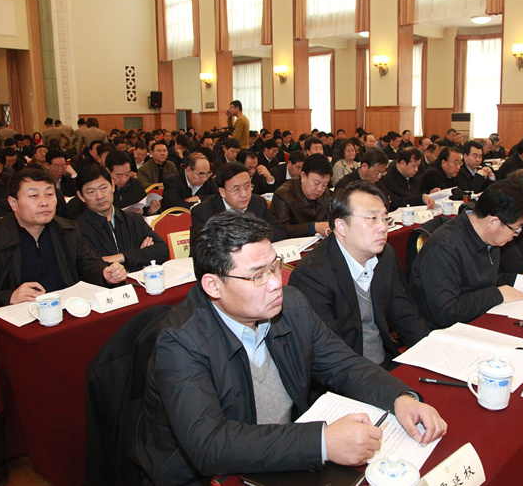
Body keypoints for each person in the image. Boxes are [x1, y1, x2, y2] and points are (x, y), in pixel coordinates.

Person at [131, 211, 446, 482]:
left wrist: (400, 397)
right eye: (258, 276)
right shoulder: (180, 341)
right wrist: (322, 442)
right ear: (213, 285)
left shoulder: (290, 305)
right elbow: (210, 445)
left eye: (274, 266)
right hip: (209, 476)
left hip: (282, 451)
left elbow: (343, 364)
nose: (275, 282)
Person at [0, 169, 127, 486]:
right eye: (33, 195)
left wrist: (105, 273)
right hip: (5, 334)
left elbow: (87, 265)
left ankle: (91, 437)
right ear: (13, 202)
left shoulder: (68, 230)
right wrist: (9, 296)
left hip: (63, 326)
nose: (45, 202)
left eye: (49, 194)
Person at [289, 182, 430, 369]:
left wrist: (433, 355)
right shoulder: (312, 275)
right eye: (372, 218)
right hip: (345, 373)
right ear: (341, 226)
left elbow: (406, 315)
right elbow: (329, 354)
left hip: (383, 361)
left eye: (384, 218)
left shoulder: (385, 255)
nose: (382, 227)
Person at [409, 180, 523, 329]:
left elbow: (486, 281)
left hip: (477, 316)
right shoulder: (444, 247)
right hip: (443, 331)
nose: (515, 235)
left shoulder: (488, 236)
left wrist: (522, 280)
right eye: (515, 229)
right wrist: (496, 295)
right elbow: (446, 313)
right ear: (493, 222)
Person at [76, 164, 168, 272]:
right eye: (91, 192)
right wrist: (140, 256)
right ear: (81, 196)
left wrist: (122, 257)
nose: (99, 196)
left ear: (112, 186)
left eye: (103, 188)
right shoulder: (78, 230)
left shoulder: (133, 219)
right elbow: (90, 266)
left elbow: (162, 249)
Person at [190, 162, 286, 241]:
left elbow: (279, 230)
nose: (244, 194)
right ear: (222, 192)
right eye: (236, 189)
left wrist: (252, 240)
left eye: (247, 186)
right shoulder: (203, 212)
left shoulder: (258, 202)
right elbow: (199, 250)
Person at [270, 154, 332, 237]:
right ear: (303, 176)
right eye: (316, 183)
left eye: (325, 184)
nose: (320, 189)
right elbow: (280, 230)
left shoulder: (326, 193)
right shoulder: (283, 195)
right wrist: (313, 227)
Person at [106, 150, 161, 215]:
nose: (124, 179)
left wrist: (151, 211)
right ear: (108, 171)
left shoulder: (136, 184)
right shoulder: (102, 190)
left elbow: (145, 208)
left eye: (127, 174)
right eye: (119, 175)